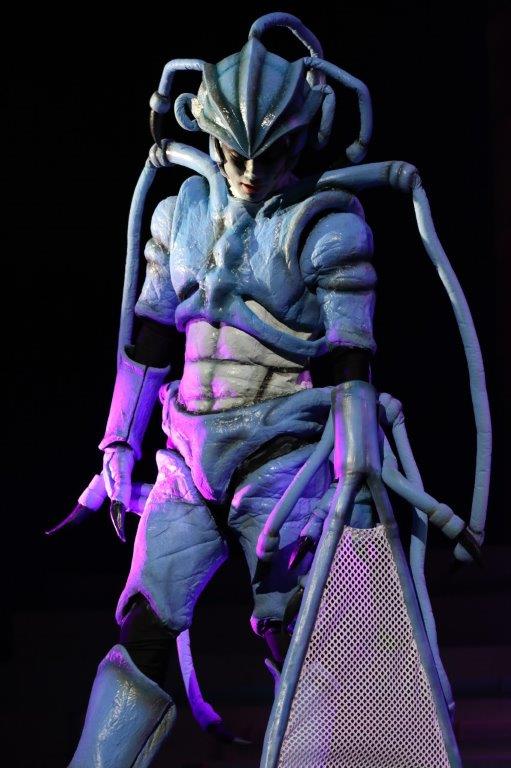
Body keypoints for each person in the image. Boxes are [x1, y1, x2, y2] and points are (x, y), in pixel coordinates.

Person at [61, 12, 489, 768]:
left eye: (272, 152)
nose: (251, 171)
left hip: (283, 458)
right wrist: (119, 441)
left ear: (304, 136)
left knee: (302, 630)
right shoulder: (178, 214)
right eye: (235, 152)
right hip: (186, 457)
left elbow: (351, 362)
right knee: (147, 629)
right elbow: (149, 338)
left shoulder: (328, 223)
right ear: (205, 130)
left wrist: (356, 463)